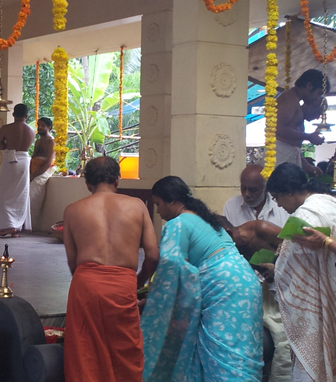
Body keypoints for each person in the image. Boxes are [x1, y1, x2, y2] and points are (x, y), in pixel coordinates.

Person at [142, 176, 263, 381]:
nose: (158, 211)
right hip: (246, 282)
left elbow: (172, 271)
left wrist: (153, 300)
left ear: (171, 200)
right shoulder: (205, 219)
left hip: (223, 289)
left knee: (223, 358)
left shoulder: (177, 224)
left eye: (158, 204)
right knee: (241, 354)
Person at [62, 156, 159, 382]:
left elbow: (72, 260)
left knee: (85, 352)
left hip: (85, 282)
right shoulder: (137, 206)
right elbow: (153, 255)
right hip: (123, 284)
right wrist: (138, 282)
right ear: (118, 179)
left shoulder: (72, 210)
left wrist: (86, 284)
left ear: (87, 183)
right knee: (126, 351)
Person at [266, 163, 336, 381]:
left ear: (289, 191)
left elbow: (290, 269)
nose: (277, 204)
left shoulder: (305, 216)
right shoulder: (329, 202)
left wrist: (275, 271)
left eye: (277, 197)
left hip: (319, 308)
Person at [222, 164, 290, 381]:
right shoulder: (231, 205)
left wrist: (277, 268)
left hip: (279, 285)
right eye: (243, 188)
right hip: (245, 281)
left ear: (267, 189)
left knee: (280, 341)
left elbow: (290, 249)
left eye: (253, 190)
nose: (247, 194)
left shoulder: (282, 208)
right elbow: (231, 245)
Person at [276, 69, 330, 176]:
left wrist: (307, 166)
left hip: (288, 154)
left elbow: (293, 144)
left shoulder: (295, 99)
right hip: (280, 154)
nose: (317, 97)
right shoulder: (289, 98)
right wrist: (309, 137)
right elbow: (278, 129)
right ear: (309, 86)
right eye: (318, 93)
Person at [0, 103, 36, 237]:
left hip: (10, 158)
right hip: (24, 160)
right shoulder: (31, 131)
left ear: (13, 115)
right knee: (20, 194)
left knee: (3, 194)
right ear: (26, 116)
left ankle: (8, 226)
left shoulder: (6, 128)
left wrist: (8, 145)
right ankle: (17, 226)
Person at [29, 117, 56, 227]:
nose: (40, 127)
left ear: (49, 128)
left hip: (43, 172)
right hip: (34, 170)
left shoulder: (52, 142)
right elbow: (33, 158)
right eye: (39, 125)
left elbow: (48, 163)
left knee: (32, 197)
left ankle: (31, 226)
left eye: (43, 126)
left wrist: (34, 175)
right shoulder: (38, 141)